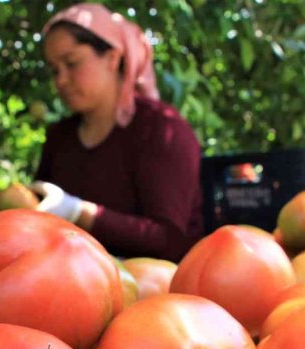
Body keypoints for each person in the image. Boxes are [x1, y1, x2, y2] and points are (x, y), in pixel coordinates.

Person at [31, 2, 203, 262]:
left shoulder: (160, 129)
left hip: (154, 291)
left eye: (72, 63)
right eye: (55, 69)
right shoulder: (59, 138)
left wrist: (79, 212)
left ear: (113, 58)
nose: (61, 80)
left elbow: (170, 239)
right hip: (68, 283)